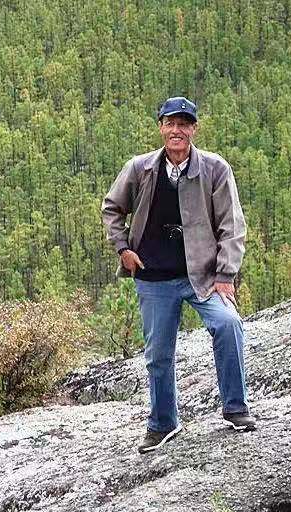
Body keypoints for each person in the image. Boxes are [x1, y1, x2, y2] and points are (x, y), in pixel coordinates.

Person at [101, 96, 256, 455]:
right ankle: (162, 424)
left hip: (202, 275)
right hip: (153, 277)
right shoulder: (140, 168)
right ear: (160, 127)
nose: (177, 131)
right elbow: (112, 208)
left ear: (193, 129)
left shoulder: (215, 170)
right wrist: (123, 249)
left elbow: (233, 227)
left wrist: (225, 274)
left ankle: (236, 408)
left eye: (184, 124)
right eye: (171, 123)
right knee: (158, 353)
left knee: (228, 324)